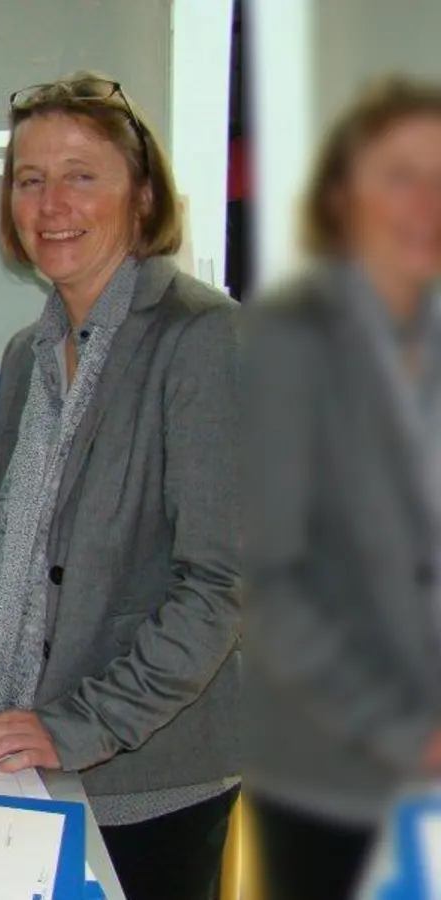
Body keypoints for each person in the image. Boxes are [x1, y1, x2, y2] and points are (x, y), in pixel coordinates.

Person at [0, 73, 242, 900]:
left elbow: (220, 586)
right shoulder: (25, 355)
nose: (51, 205)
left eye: (81, 175)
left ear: (142, 196)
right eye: (29, 179)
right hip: (19, 765)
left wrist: (75, 727)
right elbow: (2, 571)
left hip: (148, 785)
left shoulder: (205, 339)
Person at [245, 77, 441, 900]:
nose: (426, 203)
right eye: (399, 176)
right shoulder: (285, 344)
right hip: (332, 775)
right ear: (340, 199)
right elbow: (268, 583)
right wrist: (406, 733)